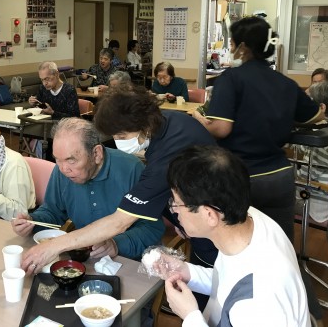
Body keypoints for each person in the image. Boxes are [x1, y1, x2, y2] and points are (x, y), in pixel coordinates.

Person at [20, 88, 217, 278]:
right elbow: (166, 189)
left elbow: (120, 221)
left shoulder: (157, 160)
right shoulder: (167, 123)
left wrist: (55, 246)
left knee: (214, 285)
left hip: (214, 226)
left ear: (144, 124)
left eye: (121, 136)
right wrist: (179, 219)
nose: (118, 142)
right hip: (199, 220)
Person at [192, 16, 322, 240]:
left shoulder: (231, 79)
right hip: (279, 176)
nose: (231, 47)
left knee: (237, 243)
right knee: (279, 241)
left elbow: (221, 128)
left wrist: (199, 121)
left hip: (240, 176)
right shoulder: (285, 82)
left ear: (242, 47)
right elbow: (315, 115)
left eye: (232, 43)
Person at [160, 145, 310, 327]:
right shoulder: (246, 221)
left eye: (177, 203)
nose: (174, 210)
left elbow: (247, 293)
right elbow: (231, 284)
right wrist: (188, 272)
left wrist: (190, 316)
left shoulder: (260, 300)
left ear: (209, 215)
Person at [12, 118, 165, 260]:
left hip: (130, 260)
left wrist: (116, 244)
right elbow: (53, 211)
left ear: (96, 154)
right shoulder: (62, 171)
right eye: (57, 160)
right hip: (86, 258)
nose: (64, 169)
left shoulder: (131, 169)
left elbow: (152, 228)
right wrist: (33, 222)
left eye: (71, 160)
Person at [295, 81, 328, 223]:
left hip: (315, 206)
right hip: (325, 202)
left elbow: (308, 174)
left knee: (269, 199)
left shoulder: (323, 139)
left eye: (306, 102)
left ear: (321, 108)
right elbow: (306, 150)